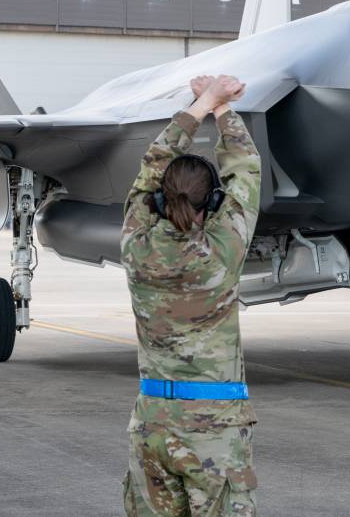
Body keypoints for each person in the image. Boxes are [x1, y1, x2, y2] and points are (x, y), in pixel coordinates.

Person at [120, 74, 262, 516]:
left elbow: (151, 166)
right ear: (213, 204)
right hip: (214, 430)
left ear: (160, 202)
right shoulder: (221, 252)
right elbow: (246, 165)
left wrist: (200, 105)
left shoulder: (136, 245)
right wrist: (221, 107)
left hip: (152, 423)